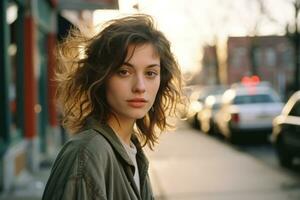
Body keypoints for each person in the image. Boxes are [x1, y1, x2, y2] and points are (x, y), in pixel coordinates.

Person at [42, 14, 182, 200]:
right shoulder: (87, 155)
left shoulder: (131, 151)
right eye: (124, 71)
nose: (140, 86)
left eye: (150, 73)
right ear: (101, 77)